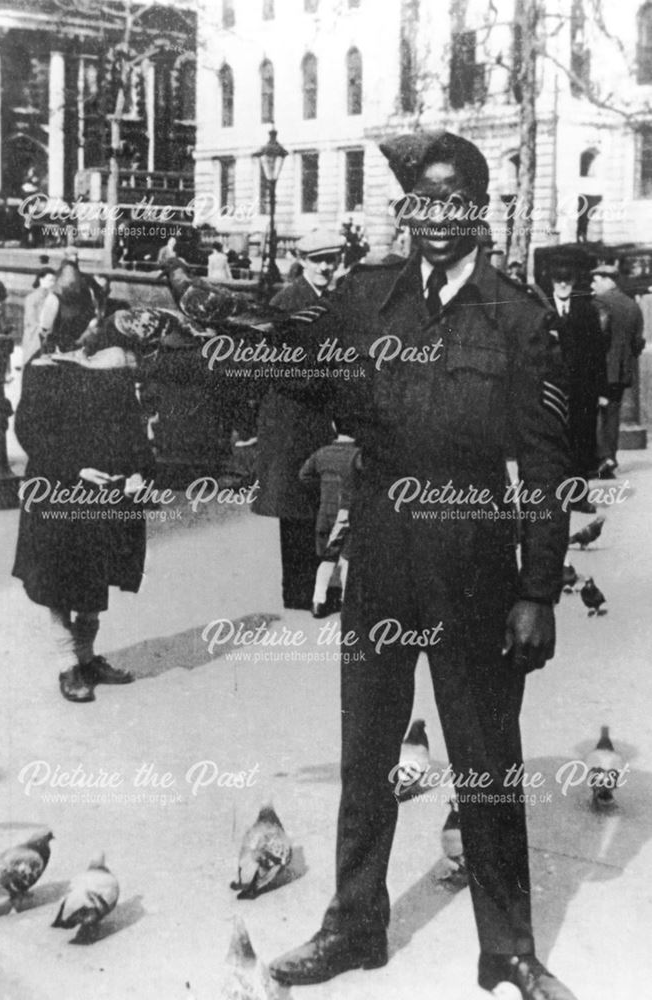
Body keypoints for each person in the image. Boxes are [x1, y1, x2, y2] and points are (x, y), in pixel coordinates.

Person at [268, 131, 576, 1000]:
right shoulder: (365, 300)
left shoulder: (518, 318)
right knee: (367, 753)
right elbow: (301, 374)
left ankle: (507, 947)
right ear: (405, 212)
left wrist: (537, 590)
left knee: (483, 758)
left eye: (452, 201)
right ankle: (353, 926)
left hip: (475, 562)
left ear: (475, 209)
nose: (435, 219)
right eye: (420, 202)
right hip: (380, 555)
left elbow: (548, 469)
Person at [12, 308, 165, 703]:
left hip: (108, 491)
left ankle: (87, 655)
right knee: (60, 577)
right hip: (61, 489)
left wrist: (139, 472)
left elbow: (132, 429)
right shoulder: (44, 369)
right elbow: (31, 432)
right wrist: (76, 468)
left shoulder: (115, 368)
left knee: (96, 574)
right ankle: (67, 664)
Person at [252, 229, 344, 610]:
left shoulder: (330, 299)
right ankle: (299, 591)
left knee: (315, 501)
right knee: (295, 505)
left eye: (332, 259)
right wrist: (326, 380)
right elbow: (270, 366)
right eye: (318, 259)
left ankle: (313, 586)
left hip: (315, 414)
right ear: (303, 260)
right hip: (291, 416)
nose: (326, 266)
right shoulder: (288, 301)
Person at [550, 264, 606, 501]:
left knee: (582, 441)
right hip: (551, 391)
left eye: (568, 280)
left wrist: (601, 391)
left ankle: (579, 496)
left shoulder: (587, 311)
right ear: (552, 282)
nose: (563, 285)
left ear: (573, 283)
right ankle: (555, 497)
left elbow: (597, 353)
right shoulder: (541, 310)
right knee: (554, 444)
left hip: (583, 391)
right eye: (558, 279)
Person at [298, 422, 359, 618]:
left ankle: (318, 602)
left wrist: (323, 490)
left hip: (325, 512)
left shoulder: (322, 453)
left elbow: (304, 475)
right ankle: (346, 602)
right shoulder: (357, 455)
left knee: (327, 558)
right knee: (347, 558)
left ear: (334, 427)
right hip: (348, 513)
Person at [590, 264, 646, 479]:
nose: (592, 285)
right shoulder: (633, 305)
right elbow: (638, 342)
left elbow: (595, 339)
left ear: (607, 280)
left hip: (599, 369)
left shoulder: (598, 304)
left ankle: (598, 458)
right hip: (621, 371)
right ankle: (610, 458)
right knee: (612, 415)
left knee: (593, 414)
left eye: (596, 280)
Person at [37, 260, 100, 354]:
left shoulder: (84, 295)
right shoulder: (54, 299)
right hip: (64, 348)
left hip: (76, 346)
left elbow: (93, 318)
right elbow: (44, 329)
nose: (71, 284)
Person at [21, 267, 56, 365]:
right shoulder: (31, 298)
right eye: (50, 280)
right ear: (41, 279)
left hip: (48, 339)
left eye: (54, 281)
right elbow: (31, 320)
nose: (52, 283)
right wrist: (44, 331)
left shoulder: (52, 298)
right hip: (34, 338)